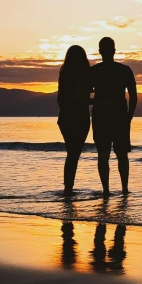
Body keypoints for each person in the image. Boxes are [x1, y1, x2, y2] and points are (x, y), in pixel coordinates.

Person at [91, 37, 137, 195]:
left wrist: (97, 102)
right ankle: (124, 189)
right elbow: (133, 96)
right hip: (120, 117)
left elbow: (84, 95)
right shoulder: (125, 70)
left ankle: (106, 191)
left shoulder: (94, 71)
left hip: (101, 118)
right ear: (114, 51)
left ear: (100, 52)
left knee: (103, 154)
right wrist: (129, 117)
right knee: (122, 155)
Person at [56, 45, 92, 196]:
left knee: (72, 153)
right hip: (80, 117)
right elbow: (82, 98)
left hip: (65, 117)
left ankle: (68, 186)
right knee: (74, 153)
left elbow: (61, 99)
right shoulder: (84, 75)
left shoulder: (64, 74)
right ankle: (68, 187)